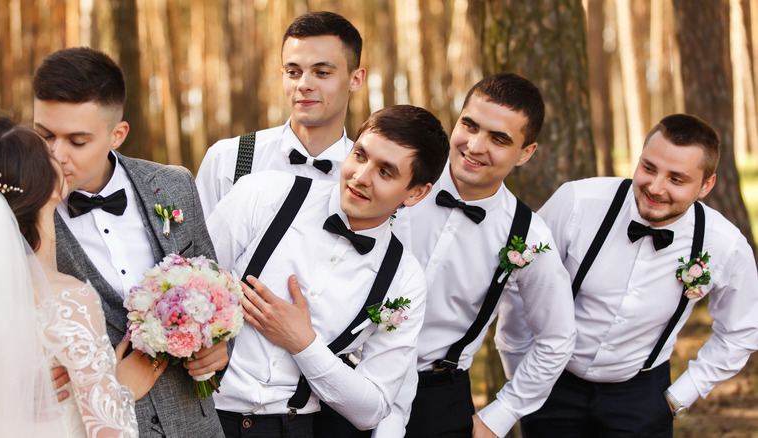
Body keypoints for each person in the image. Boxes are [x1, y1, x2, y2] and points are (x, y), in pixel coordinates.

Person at [207, 105, 449, 437]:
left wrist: (303, 343)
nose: (361, 177)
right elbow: (183, 286)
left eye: (385, 172)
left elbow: (373, 407)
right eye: (360, 155)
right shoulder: (262, 194)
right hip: (201, 410)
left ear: (417, 192)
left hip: (291, 428)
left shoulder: (404, 279)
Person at [516, 114, 758, 437]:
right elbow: (521, 283)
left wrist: (678, 397)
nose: (655, 188)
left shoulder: (725, 246)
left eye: (676, 179)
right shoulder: (578, 203)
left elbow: (741, 330)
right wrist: (520, 369)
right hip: (552, 387)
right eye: (648, 168)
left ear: (706, 185)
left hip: (643, 399)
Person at [32, 47, 228, 437]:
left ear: (116, 135)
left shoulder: (174, 186)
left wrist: (219, 347)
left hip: (196, 426)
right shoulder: (19, 215)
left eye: (77, 140)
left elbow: (216, 291)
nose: (56, 155)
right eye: (45, 136)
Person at [373, 74, 577, 438]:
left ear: (525, 153)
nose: (476, 146)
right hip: (344, 378)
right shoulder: (393, 178)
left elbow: (557, 337)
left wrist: (500, 416)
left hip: (436, 399)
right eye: (470, 126)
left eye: (499, 139)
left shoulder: (528, 237)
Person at [0, 116, 138, 437]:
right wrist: (123, 385)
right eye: (50, 154)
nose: (62, 156)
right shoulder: (68, 300)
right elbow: (110, 432)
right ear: (49, 186)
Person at [195, 10, 366, 215]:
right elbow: (197, 246)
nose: (303, 85)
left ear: (355, 80)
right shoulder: (227, 159)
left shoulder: (373, 176)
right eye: (294, 72)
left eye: (322, 73)